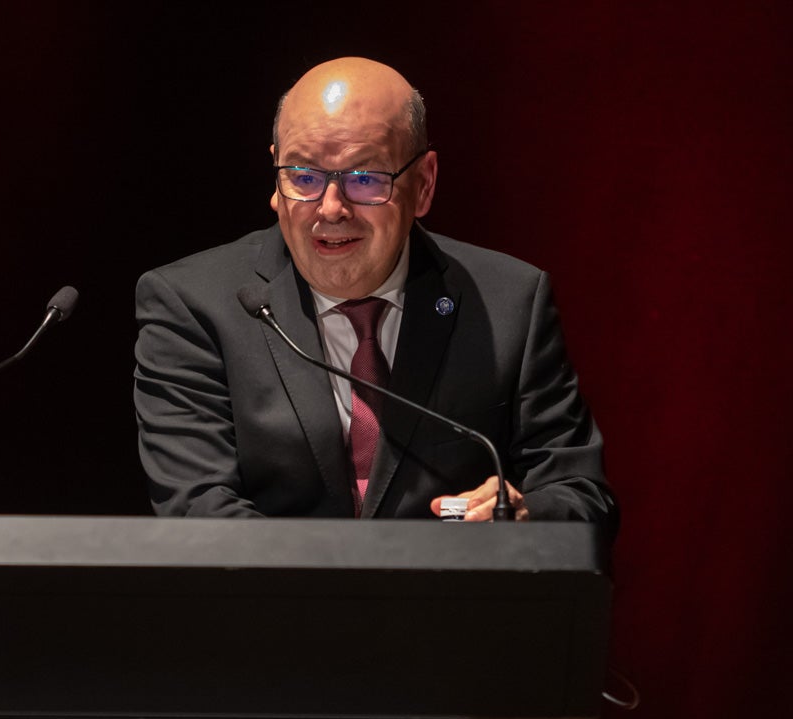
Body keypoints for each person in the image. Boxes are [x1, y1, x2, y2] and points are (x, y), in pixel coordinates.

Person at [133, 56, 616, 529]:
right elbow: (199, 512)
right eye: (303, 177)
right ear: (276, 178)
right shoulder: (193, 303)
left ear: (424, 184)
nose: (331, 208)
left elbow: (580, 495)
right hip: (270, 605)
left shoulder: (510, 301)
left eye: (365, 179)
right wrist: (346, 595)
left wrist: (522, 513)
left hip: (451, 602)